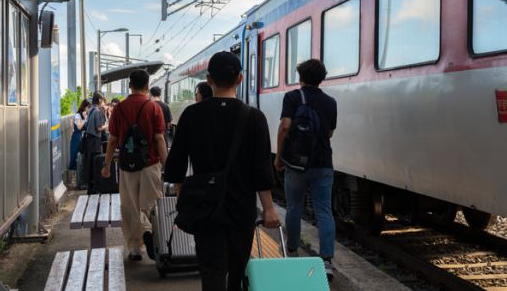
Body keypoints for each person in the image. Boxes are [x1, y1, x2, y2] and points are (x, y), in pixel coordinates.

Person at [164, 51, 279, 291]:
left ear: (209, 80)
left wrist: (181, 193)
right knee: (237, 272)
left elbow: (175, 164)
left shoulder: (191, 115)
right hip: (241, 209)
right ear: (240, 79)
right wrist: (268, 208)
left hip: (206, 208)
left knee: (212, 271)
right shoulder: (254, 118)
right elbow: (261, 169)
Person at [274, 59, 337, 281]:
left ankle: (292, 252)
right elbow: (329, 133)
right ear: (322, 78)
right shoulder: (331, 102)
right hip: (322, 164)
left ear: (300, 77)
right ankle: (327, 261)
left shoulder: (292, 97)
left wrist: (279, 156)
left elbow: (285, 127)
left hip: (296, 164)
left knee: (294, 207)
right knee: (324, 211)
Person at [101, 69, 167, 261]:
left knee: (130, 206)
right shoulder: (154, 108)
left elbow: (112, 140)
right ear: (147, 86)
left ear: (130, 85)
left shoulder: (119, 108)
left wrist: (106, 165)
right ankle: (152, 237)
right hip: (150, 164)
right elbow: (159, 139)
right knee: (151, 204)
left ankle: (134, 249)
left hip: (127, 165)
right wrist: (166, 164)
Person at [84, 91, 108, 193]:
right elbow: (99, 128)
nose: (104, 103)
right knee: (96, 163)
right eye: (103, 100)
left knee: (89, 163)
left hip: (88, 140)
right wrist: (108, 125)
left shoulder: (90, 109)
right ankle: (95, 188)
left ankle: (90, 188)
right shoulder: (97, 111)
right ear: (99, 100)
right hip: (94, 141)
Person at [69, 99, 90, 172]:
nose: (89, 109)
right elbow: (79, 127)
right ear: (84, 107)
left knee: (81, 157)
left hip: (82, 137)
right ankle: (72, 175)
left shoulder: (88, 115)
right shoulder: (78, 115)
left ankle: (79, 175)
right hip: (77, 137)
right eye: (88, 107)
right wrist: (85, 119)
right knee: (74, 156)